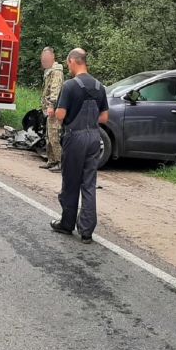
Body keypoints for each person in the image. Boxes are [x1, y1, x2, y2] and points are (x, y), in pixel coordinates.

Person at [49, 48, 109, 244]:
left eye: (68, 64)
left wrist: (56, 113)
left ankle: (67, 224)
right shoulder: (100, 87)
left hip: (75, 138)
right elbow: (105, 117)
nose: (68, 67)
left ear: (73, 61)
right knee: (89, 184)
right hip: (94, 137)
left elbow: (60, 115)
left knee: (71, 182)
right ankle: (87, 231)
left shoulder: (70, 86)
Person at [39, 47, 64, 172]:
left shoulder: (56, 71)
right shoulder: (49, 71)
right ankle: (51, 160)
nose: (44, 60)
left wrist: (51, 105)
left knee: (54, 135)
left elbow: (55, 89)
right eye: (43, 58)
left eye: (46, 58)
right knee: (49, 135)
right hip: (49, 108)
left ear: (52, 57)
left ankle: (59, 162)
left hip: (54, 109)